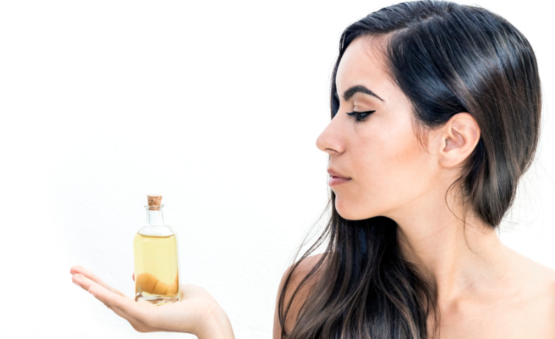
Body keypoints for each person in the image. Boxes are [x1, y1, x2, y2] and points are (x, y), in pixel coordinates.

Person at [70, 1, 555, 338]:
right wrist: (211, 326)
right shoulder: (313, 291)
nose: (326, 138)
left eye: (360, 112)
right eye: (336, 109)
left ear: (454, 140)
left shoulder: (545, 314)